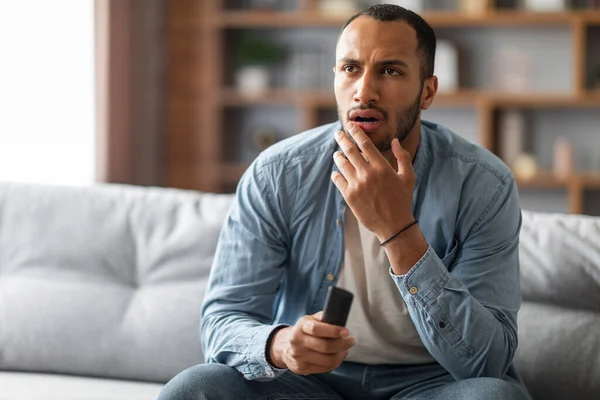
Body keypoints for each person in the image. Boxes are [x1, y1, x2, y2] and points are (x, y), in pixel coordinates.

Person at [158, 4, 531, 400]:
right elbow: (222, 320)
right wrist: (281, 345)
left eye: (390, 70)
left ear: (427, 91)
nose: (364, 91)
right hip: (307, 384)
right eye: (351, 68)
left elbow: (487, 361)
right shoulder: (277, 174)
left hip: (431, 383)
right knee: (194, 389)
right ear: (335, 76)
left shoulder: (483, 184)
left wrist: (398, 231)